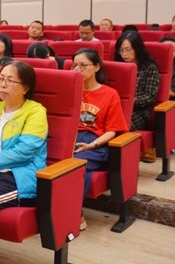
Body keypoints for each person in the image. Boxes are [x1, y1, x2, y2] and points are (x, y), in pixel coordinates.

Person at [0, 61, 48, 233]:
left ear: (25, 88)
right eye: (0, 79)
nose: (3, 84)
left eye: (10, 80)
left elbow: (25, 151)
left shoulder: (35, 112)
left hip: (16, 176)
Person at [71, 49, 128, 230]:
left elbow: (113, 130)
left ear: (96, 67)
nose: (78, 69)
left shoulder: (110, 94)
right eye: (75, 66)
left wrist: (92, 145)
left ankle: (72, 212)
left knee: (73, 166)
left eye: (83, 65)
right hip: (71, 138)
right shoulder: (71, 89)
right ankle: (71, 212)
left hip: (96, 143)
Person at [115, 32, 160, 162]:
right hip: (116, 107)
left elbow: (150, 97)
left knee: (117, 125)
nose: (124, 54)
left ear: (137, 49)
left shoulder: (149, 68)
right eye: (121, 50)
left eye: (128, 50)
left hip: (138, 112)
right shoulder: (118, 67)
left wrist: (128, 102)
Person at [159, 36, 175, 100]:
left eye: (173, 50)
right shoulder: (150, 66)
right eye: (166, 50)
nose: (169, 52)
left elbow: (172, 92)